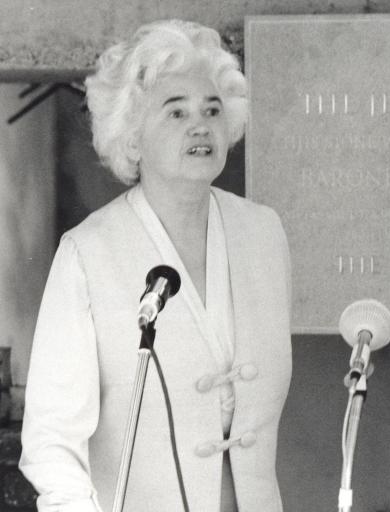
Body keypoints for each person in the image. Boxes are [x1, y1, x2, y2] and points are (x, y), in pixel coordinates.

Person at [19, 19, 292, 512]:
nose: (200, 125)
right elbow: (52, 441)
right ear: (132, 136)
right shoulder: (88, 253)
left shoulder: (264, 235)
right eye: (176, 112)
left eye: (212, 109)